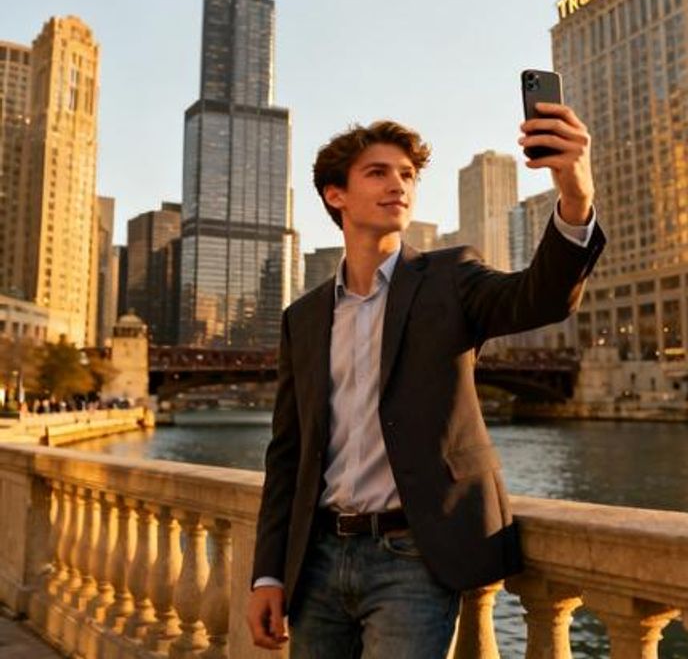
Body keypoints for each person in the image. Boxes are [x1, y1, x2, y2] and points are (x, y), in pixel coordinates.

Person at [247, 103, 605, 657]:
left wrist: (575, 193)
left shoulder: (450, 276)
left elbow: (542, 296)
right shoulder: (305, 316)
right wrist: (268, 574)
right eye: (378, 173)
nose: (399, 185)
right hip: (316, 561)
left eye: (408, 175)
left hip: (412, 561)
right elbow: (287, 454)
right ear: (335, 195)